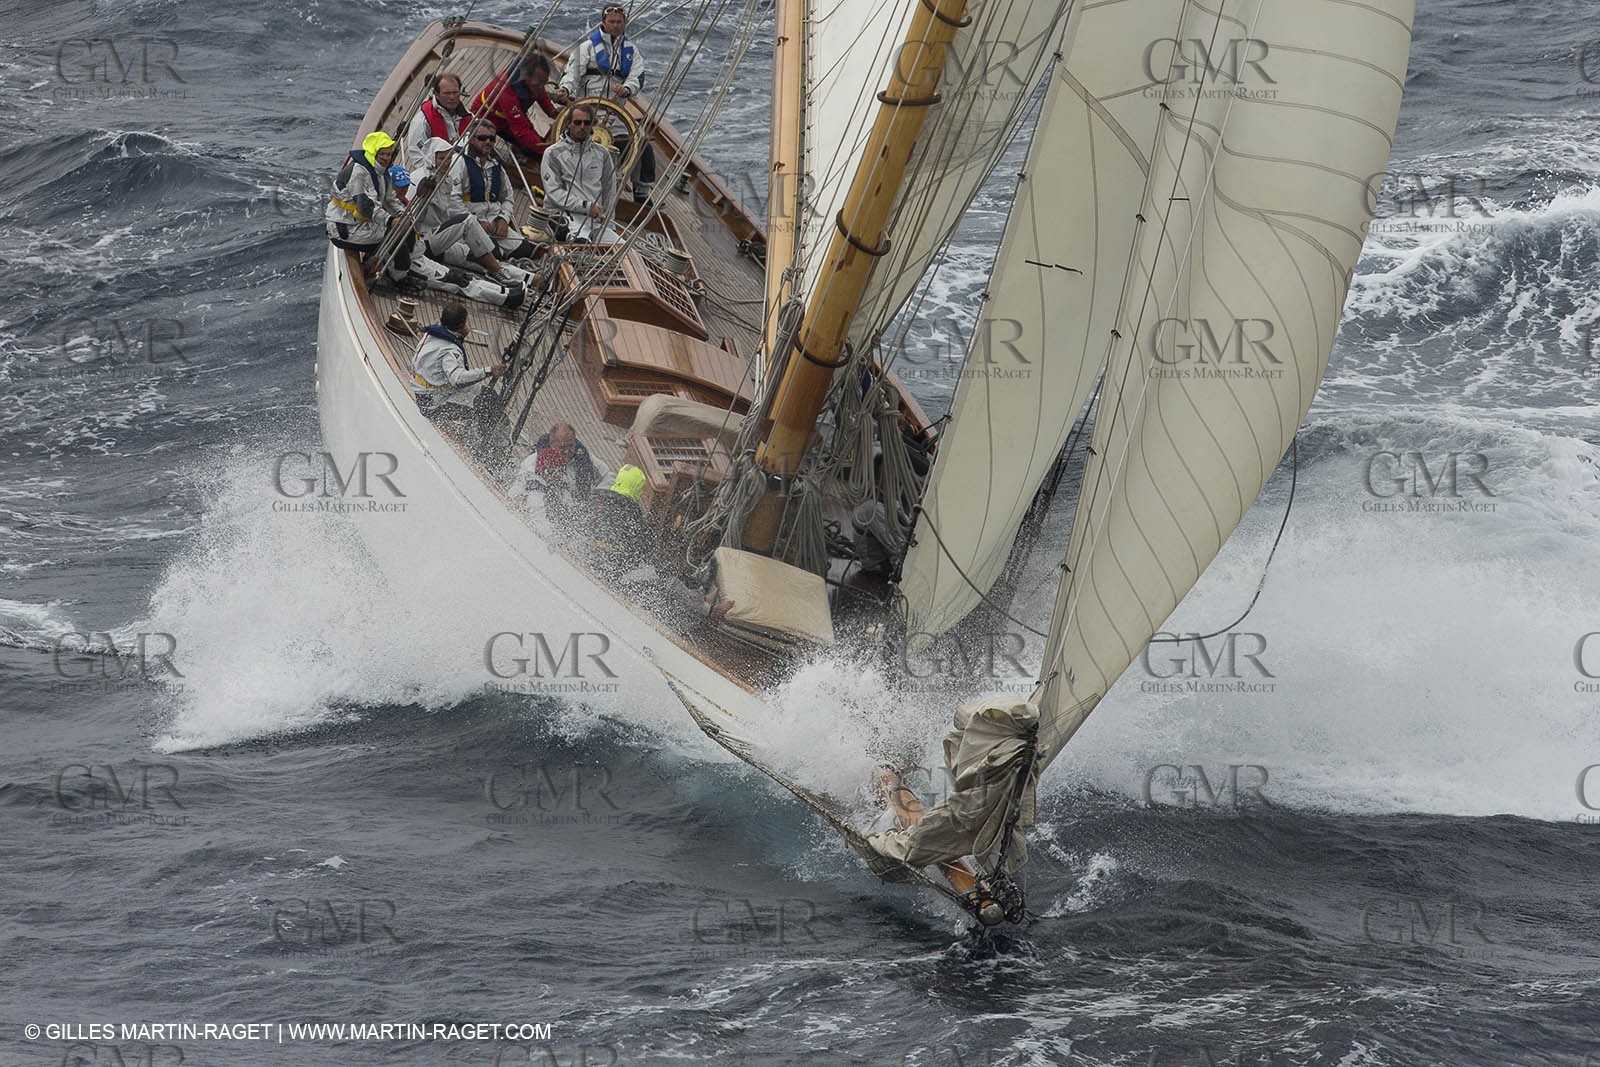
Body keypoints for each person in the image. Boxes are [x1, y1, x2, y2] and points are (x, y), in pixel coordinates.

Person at [403, 138, 541, 307]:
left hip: (436, 240)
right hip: (420, 243)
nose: (446, 163)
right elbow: (406, 220)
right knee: (458, 276)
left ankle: (530, 280)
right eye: (441, 158)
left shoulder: (445, 180)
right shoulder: (419, 180)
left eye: (449, 158)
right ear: (431, 158)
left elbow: (446, 214)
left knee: (475, 256)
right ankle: (502, 286)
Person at [555, 5, 656, 202]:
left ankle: (641, 191)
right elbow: (572, 74)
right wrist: (566, 90)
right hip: (587, 111)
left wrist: (627, 89)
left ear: (624, 23)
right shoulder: (586, 48)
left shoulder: (631, 51)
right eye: (611, 22)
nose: (615, 26)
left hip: (616, 114)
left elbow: (638, 76)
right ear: (603, 22)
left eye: (619, 22)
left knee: (642, 145)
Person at [324, 131, 417, 284]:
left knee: (406, 232)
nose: (387, 158)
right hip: (344, 228)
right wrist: (390, 221)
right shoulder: (359, 173)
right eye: (382, 154)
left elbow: (389, 200)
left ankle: (399, 269)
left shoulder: (382, 172)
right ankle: (399, 278)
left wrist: (402, 214)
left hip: (359, 223)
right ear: (373, 153)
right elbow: (365, 206)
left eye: (389, 154)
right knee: (394, 237)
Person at [409, 302, 507, 435]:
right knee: (485, 405)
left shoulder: (432, 334)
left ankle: (491, 433)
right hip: (433, 404)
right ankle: (485, 444)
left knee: (488, 394)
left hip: (429, 391)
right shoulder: (450, 350)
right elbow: (458, 378)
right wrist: (489, 371)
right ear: (462, 325)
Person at [451, 120, 543, 260]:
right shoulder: (459, 162)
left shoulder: (495, 164)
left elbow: (507, 196)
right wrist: (475, 223)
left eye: (492, 139)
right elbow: (453, 200)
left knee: (524, 250)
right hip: (469, 223)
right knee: (493, 254)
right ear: (471, 138)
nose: (487, 142)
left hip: (494, 222)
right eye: (482, 138)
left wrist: (503, 219)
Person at [539, 105, 619, 243]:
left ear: (592, 125)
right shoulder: (553, 153)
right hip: (564, 216)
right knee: (581, 244)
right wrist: (586, 206)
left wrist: (609, 223)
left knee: (622, 249)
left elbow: (609, 191)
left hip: (595, 220)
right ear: (569, 124)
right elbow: (554, 193)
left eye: (587, 123)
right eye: (577, 122)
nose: (582, 127)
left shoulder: (602, 154)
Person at [475, 56, 562, 159]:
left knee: (535, 140)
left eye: (544, 82)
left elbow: (540, 93)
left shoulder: (535, 81)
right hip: (488, 117)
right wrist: (545, 151)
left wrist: (551, 111)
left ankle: (519, 151)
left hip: (511, 113)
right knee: (531, 147)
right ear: (526, 76)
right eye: (539, 83)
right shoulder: (507, 93)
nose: (542, 86)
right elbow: (521, 131)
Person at [588, 463, 652, 565]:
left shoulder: (597, 497)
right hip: (612, 563)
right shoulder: (634, 514)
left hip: (587, 549)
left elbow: (579, 516)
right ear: (638, 489)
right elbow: (646, 546)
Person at [404, 73, 469, 167]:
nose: (452, 97)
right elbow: (417, 155)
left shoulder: (468, 116)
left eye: (455, 92)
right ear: (437, 95)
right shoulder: (422, 120)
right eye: (447, 93)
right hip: (438, 174)